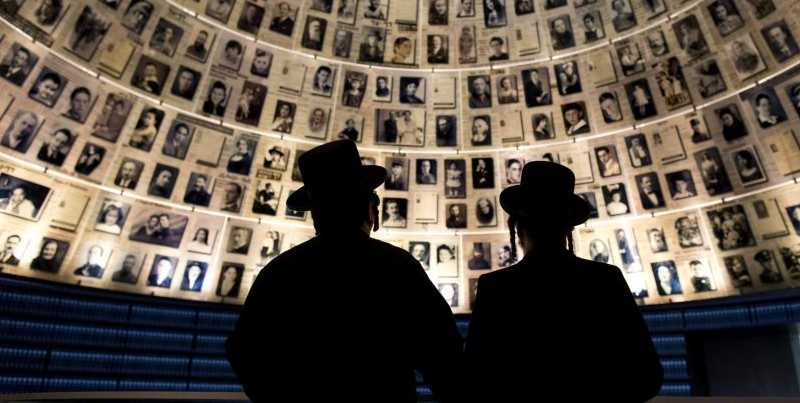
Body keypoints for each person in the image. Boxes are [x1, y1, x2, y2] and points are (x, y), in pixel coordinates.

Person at [226, 141, 462, 401]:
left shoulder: (278, 272)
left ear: (315, 214)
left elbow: (244, 353)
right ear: (370, 210)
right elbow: (443, 354)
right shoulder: (399, 267)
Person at [464, 161, 662, 400]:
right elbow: (648, 375)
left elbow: (474, 380)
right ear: (569, 229)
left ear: (518, 228)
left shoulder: (495, 287)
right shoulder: (606, 280)